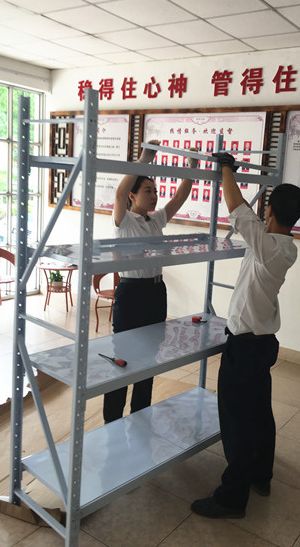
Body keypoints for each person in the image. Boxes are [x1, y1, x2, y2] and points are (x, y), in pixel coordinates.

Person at [191, 152, 300, 519]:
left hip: (246, 347)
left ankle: (232, 498)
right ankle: (261, 476)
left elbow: (237, 208)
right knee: (258, 414)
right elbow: (245, 214)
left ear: (269, 210)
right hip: (262, 345)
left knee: (237, 421)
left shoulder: (269, 246)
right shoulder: (282, 246)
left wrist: (226, 168)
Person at [103, 141, 198, 424]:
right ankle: (112, 421)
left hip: (156, 291)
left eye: (155, 191)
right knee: (123, 357)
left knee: (150, 357)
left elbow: (179, 197)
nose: (154, 196)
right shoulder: (123, 220)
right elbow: (119, 192)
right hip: (131, 292)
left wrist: (192, 169)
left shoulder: (155, 221)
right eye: (148, 191)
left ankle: (140, 416)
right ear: (133, 196)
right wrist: (145, 159)